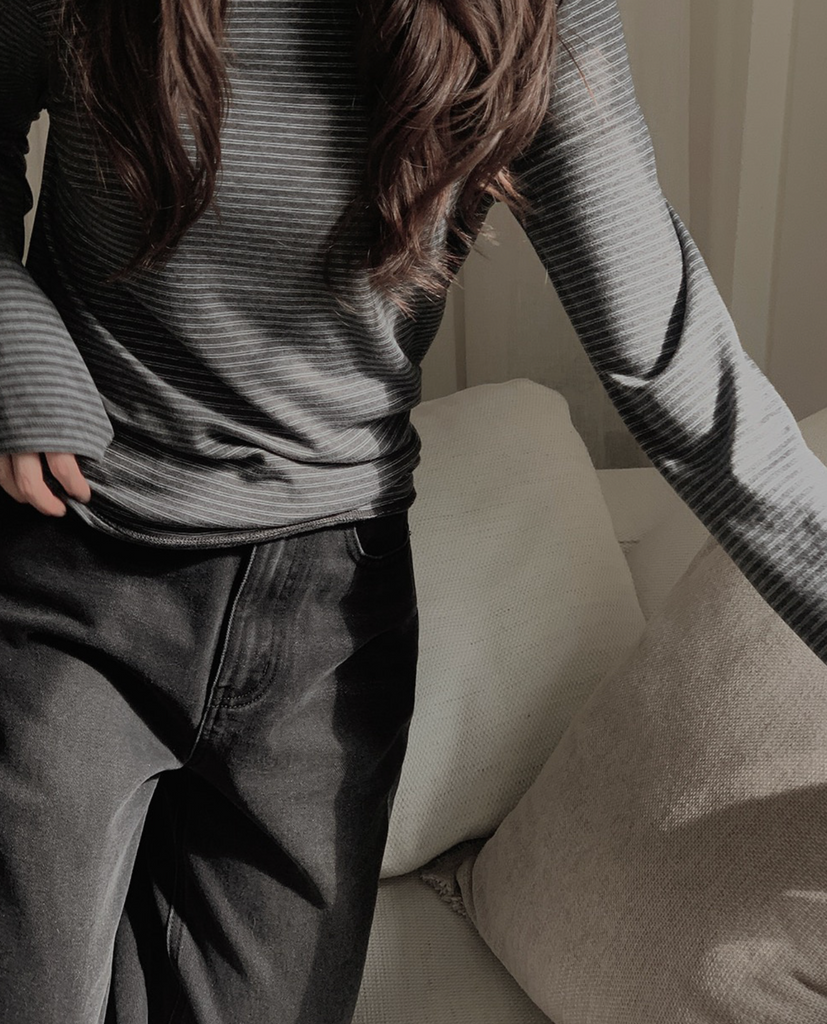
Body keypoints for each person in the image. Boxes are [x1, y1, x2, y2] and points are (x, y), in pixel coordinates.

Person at [2, 0, 827, 1021]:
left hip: (324, 636)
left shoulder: (538, 15)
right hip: (70, 570)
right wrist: (15, 349)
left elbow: (671, 361)